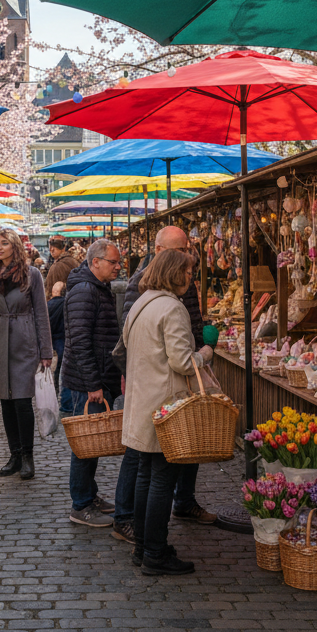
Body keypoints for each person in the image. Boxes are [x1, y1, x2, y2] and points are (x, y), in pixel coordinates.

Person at [112, 226, 216, 545]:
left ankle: (145, 545)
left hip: (147, 396)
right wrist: (204, 354)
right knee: (158, 477)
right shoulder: (169, 306)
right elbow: (180, 361)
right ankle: (153, 548)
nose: (189, 264)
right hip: (164, 399)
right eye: (183, 259)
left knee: (149, 472)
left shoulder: (147, 301)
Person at [0, 228, 53, 481]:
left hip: (24, 341)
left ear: (15, 247)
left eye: (5, 243)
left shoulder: (31, 275)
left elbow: (42, 314)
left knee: (22, 401)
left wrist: (46, 351)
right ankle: (15, 455)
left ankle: (28, 456)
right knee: (6, 402)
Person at [61, 239, 123, 527]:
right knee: (84, 446)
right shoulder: (85, 291)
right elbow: (80, 343)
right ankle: (81, 505)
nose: (118, 266)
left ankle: (89, 494)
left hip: (96, 376)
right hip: (85, 382)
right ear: (95, 261)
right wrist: (93, 383)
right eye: (113, 261)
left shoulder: (96, 288)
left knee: (92, 444)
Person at [45, 236, 80, 300]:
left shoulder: (58, 266)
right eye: (50, 246)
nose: (52, 249)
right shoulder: (73, 261)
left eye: (56, 246)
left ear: (63, 247)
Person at [47, 281, 67, 396]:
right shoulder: (64, 304)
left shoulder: (48, 305)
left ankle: (53, 389)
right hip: (61, 339)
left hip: (52, 340)